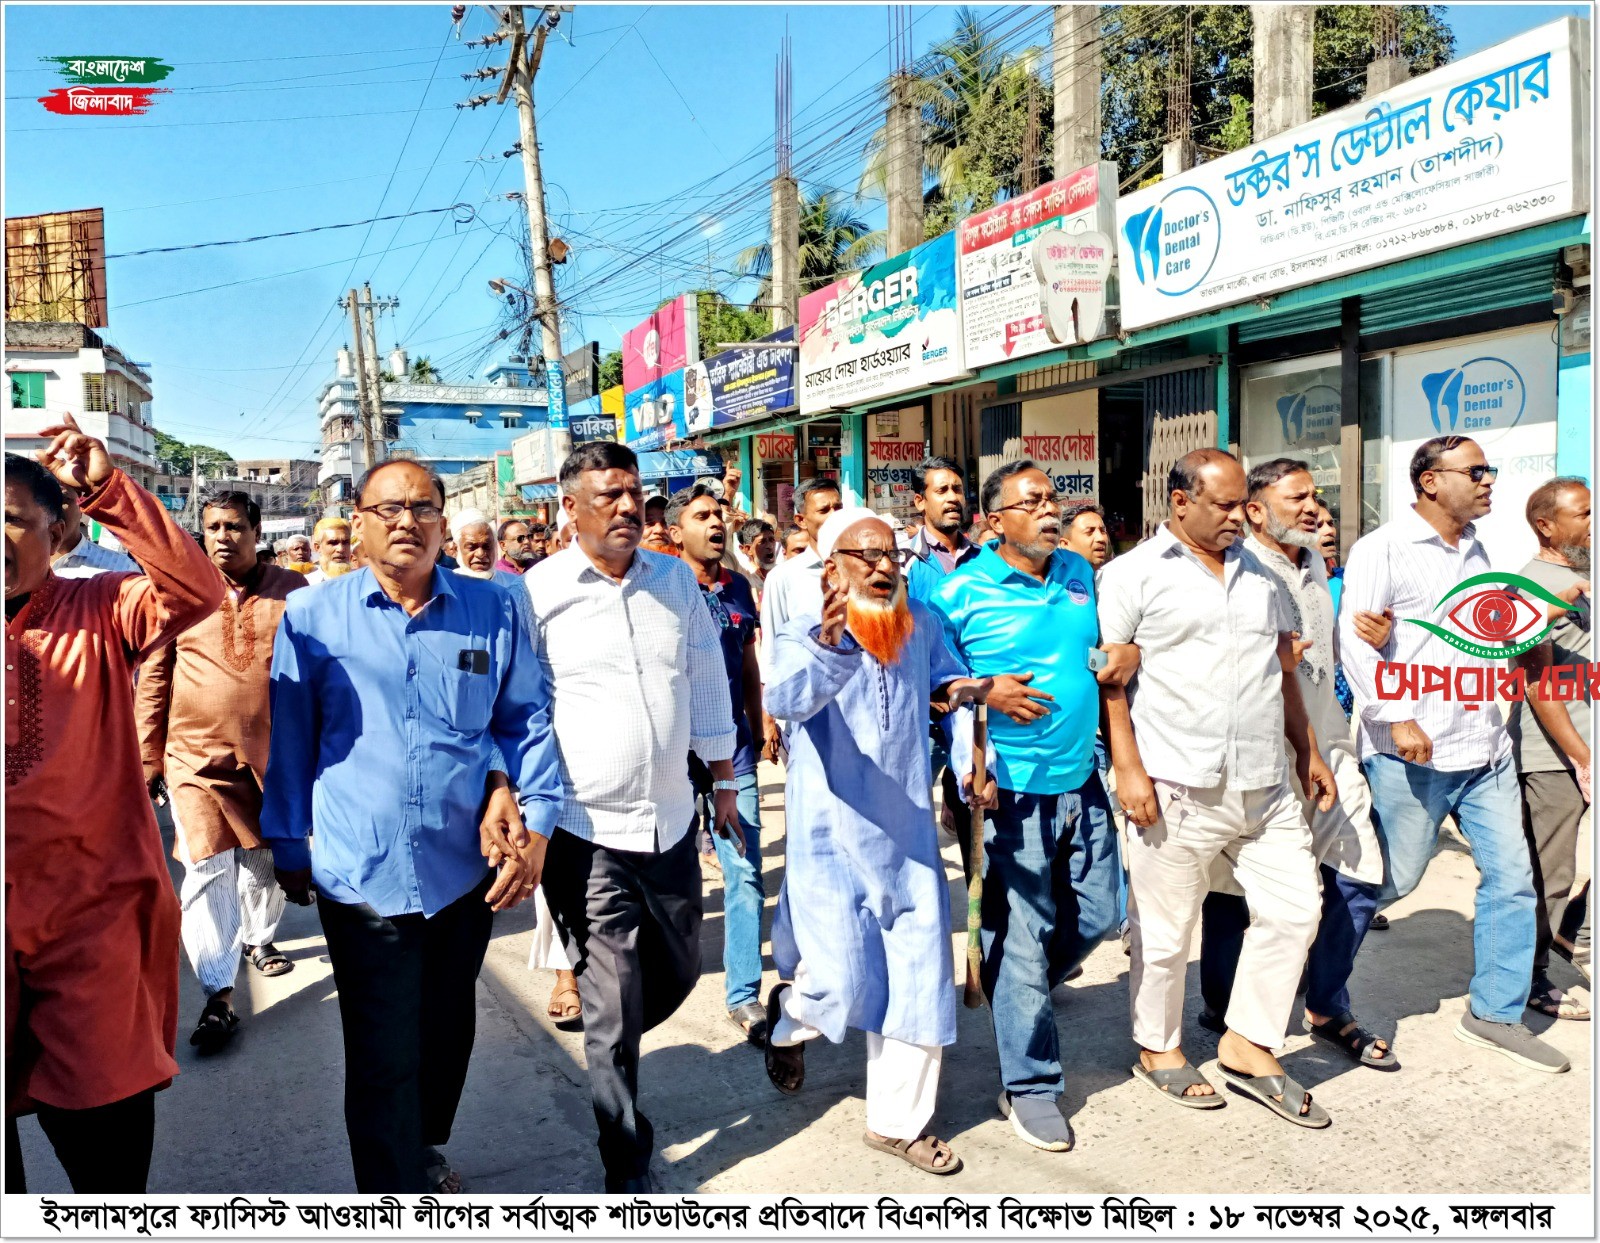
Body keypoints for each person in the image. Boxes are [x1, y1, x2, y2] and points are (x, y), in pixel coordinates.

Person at [262, 458, 563, 1193]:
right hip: (359, 871)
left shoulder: (493, 608)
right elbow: (293, 737)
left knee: (447, 1028)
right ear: (359, 522)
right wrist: (287, 841)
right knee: (380, 1049)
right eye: (388, 508)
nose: (407, 521)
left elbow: (523, 718)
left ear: (443, 521)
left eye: (423, 507)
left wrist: (536, 818)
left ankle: (423, 1140)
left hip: (464, 865)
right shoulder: (312, 616)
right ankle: (389, 1192)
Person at [5, 417, 225, 1193]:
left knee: (107, 1157)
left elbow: (194, 591)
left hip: (90, 925)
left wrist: (109, 491)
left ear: (58, 530)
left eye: (12, 518)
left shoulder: (99, 605)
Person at [524, 441, 740, 1193]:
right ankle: (623, 1152)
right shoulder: (539, 591)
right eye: (607, 495)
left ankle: (611, 1032)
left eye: (633, 493)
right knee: (612, 996)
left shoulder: (673, 580)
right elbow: (526, 707)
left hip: (671, 819)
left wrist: (723, 775)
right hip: (586, 831)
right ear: (570, 507)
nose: (626, 507)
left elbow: (706, 675)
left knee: (679, 967)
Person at [1100, 448, 1337, 1127]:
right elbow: (1110, 679)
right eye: (1225, 505)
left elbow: (1281, 670)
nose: (1240, 516)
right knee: (1166, 932)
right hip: (1177, 782)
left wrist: (1307, 750)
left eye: (1243, 505)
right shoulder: (1131, 574)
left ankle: (1247, 1041)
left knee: (1296, 911)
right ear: (1180, 502)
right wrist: (1129, 770)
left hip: (1265, 782)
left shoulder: (1261, 573)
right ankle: (1158, 1047)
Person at [764, 506, 991, 1177]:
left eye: (892, 553)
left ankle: (899, 1123)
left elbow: (952, 688)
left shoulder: (921, 621)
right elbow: (785, 700)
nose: (884, 565)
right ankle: (789, 1015)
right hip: (829, 834)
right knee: (842, 980)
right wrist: (831, 643)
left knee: (920, 975)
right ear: (831, 568)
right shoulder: (804, 630)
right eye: (866, 555)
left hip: (908, 832)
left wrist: (972, 757)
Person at [1340, 435, 1566, 1073]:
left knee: (1513, 882)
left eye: (1489, 470)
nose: (1489, 480)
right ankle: (1311, 962)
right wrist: (1397, 715)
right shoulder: (1382, 548)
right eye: (1476, 471)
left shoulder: (1476, 547)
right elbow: (1354, 643)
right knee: (1393, 879)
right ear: (1430, 481)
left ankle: (1494, 1012)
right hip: (1413, 751)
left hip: (1483, 746)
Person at [926, 460, 1123, 1152]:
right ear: (994, 521)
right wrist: (984, 694)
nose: (1048, 509)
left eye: (1052, 498)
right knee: (1023, 937)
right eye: (1031, 501)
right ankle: (1030, 1084)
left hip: (1082, 778)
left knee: (1102, 913)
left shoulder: (1078, 572)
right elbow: (934, 690)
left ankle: (1015, 974)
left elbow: (1101, 655)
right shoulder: (956, 594)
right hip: (1005, 792)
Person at [1196, 459, 1394, 1070]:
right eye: (1297, 498)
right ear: (1255, 511)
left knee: (1361, 877)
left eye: (1315, 495)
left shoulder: (1316, 564)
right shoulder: (1236, 569)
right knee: (1233, 891)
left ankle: (1326, 1005)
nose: (1313, 508)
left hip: (1328, 747)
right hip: (1260, 756)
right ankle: (1225, 1008)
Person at [136, 491, 308, 1053]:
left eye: (234, 526)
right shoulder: (182, 592)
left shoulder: (293, 590)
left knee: (262, 860)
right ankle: (220, 994)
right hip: (194, 755)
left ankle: (259, 938)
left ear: (257, 531)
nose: (223, 537)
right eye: (213, 528)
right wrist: (147, 755)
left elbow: (318, 671)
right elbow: (155, 675)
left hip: (274, 755)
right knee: (206, 866)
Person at [666, 483, 769, 1044]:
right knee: (674, 879)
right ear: (675, 531)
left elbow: (748, 665)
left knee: (744, 871)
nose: (715, 523)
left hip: (736, 754)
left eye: (719, 514)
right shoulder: (663, 586)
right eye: (701, 516)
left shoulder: (738, 588)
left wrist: (760, 721)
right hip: (673, 759)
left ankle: (743, 994)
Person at [1511, 478, 1592, 1019]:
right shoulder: (1529, 587)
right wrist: (1584, 760)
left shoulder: (1583, 575)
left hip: (1583, 751)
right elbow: (1538, 685)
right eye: (1584, 514)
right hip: (1555, 759)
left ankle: (1569, 935)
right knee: (1547, 876)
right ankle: (1530, 978)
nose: (1594, 524)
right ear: (1546, 525)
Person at [49, 480, 139, 577]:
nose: (50, 511)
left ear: (81, 506)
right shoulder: (34, 567)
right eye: (40, 502)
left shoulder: (120, 568)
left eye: (62, 500)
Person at [1061, 502, 1112, 572]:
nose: (1101, 538)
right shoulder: (1053, 578)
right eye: (1089, 532)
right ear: (1064, 544)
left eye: (1103, 531)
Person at [735, 517, 778, 598]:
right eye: (762, 542)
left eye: (771, 540)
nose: (770, 546)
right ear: (748, 549)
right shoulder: (742, 577)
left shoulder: (782, 573)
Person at [308, 516, 353, 584]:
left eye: (346, 542)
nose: (340, 549)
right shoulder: (308, 583)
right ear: (318, 547)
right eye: (333, 543)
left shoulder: (362, 581)